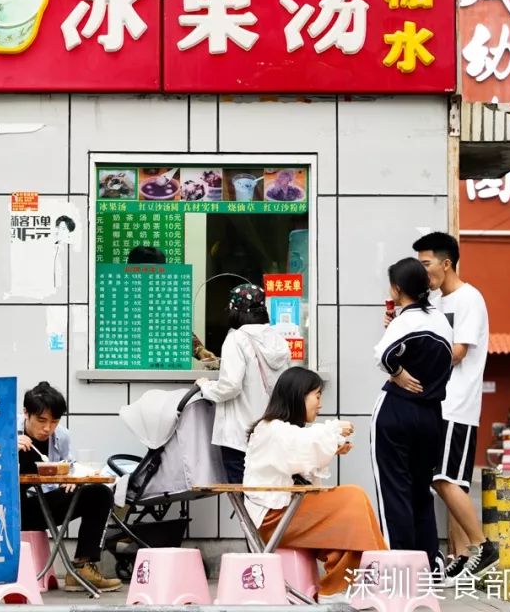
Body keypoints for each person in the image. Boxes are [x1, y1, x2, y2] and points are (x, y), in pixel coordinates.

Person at [244, 366, 386, 602]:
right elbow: (304, 445)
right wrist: (333, 430)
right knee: (352, 497)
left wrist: (332, 444)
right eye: (317, 396)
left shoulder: (280, 430)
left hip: (287, 513)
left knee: (351, 515)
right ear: (298, 395)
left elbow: (303, 454)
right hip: (274, 518)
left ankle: (360, 577)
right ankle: (368, 575)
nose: (320, 404)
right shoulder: (271, 429)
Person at [409, 232, 498, 580]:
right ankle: (461, 556)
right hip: (436, 403)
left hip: (455, 404)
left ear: (446, 264)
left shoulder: (469, 299)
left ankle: (482, 545)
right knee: (451, 482)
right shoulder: (433, 301)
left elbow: (459, 352)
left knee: (442, 478)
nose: (422, 271)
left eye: (425, 263)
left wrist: (422, 354)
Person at [371, 257, 454, 572]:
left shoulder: (406, 322)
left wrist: (397, 373)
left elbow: (384, 354)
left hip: (397, 411)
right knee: (421, 491)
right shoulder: (441, 321)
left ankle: (399, 566)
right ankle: (428, 564)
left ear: (396, 288)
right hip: (432, 414)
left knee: (394, 490)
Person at [17, 382, 121, 592]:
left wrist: (70, 479)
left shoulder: (61, 436)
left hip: (43, 506)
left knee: (100, 494)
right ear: (26, 413)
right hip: (11, 510)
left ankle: (82, 567)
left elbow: (70, 467)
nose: (48, 428)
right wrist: (7, 447)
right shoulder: (5, 432)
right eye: (41, 420)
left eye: (54, 421)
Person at [195, 283, 291, 483]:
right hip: (272, 433)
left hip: (240, 435)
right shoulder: (278, 340)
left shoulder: (237, 339)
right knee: (268, 496)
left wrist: (206, 386)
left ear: (235, 311)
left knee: (244, 497)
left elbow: (230, 386)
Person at [127, 245, 210, 361]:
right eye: (143, 273)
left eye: (155, 274)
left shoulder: (168, 302)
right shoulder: (117, 301)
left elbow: (180, 330)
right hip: (124, 367)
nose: (149, 278)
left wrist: (199, 350)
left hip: (162, 366)